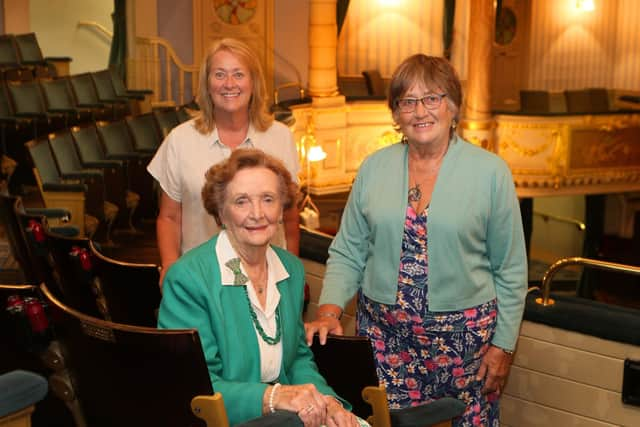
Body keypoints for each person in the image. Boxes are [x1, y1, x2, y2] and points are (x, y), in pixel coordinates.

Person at [305, 54, 527, 426]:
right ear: (396, 114)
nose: (419, 111)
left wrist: (503, 346)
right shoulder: (374, 167)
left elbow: (511, 269)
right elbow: (348, 249)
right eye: (407, 101)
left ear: (453, 106)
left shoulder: (491, 173)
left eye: (432, 98)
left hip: (466, 348)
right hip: (386, 342)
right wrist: (328, 310)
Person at [158, 149, 363, 427]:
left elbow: (297, 360)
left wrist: (328, 403)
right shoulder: (189, 278)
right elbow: (194, 385)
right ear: (220, 211)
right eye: (241, 201)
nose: (257, 213)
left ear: (282, 208)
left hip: (282, 418)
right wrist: (274, 396)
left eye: (268, 199)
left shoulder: (291, 269)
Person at [148, 38, 300, 285]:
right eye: (219, 74)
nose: (229, 84)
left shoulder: (281, 137)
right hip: (202, 280)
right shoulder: (180, 140)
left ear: (254, 82)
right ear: (207, 83)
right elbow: (169, 218)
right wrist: (170, 268)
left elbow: (291, 216)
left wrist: (293, 273)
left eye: (238, 74)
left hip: (268, 279)